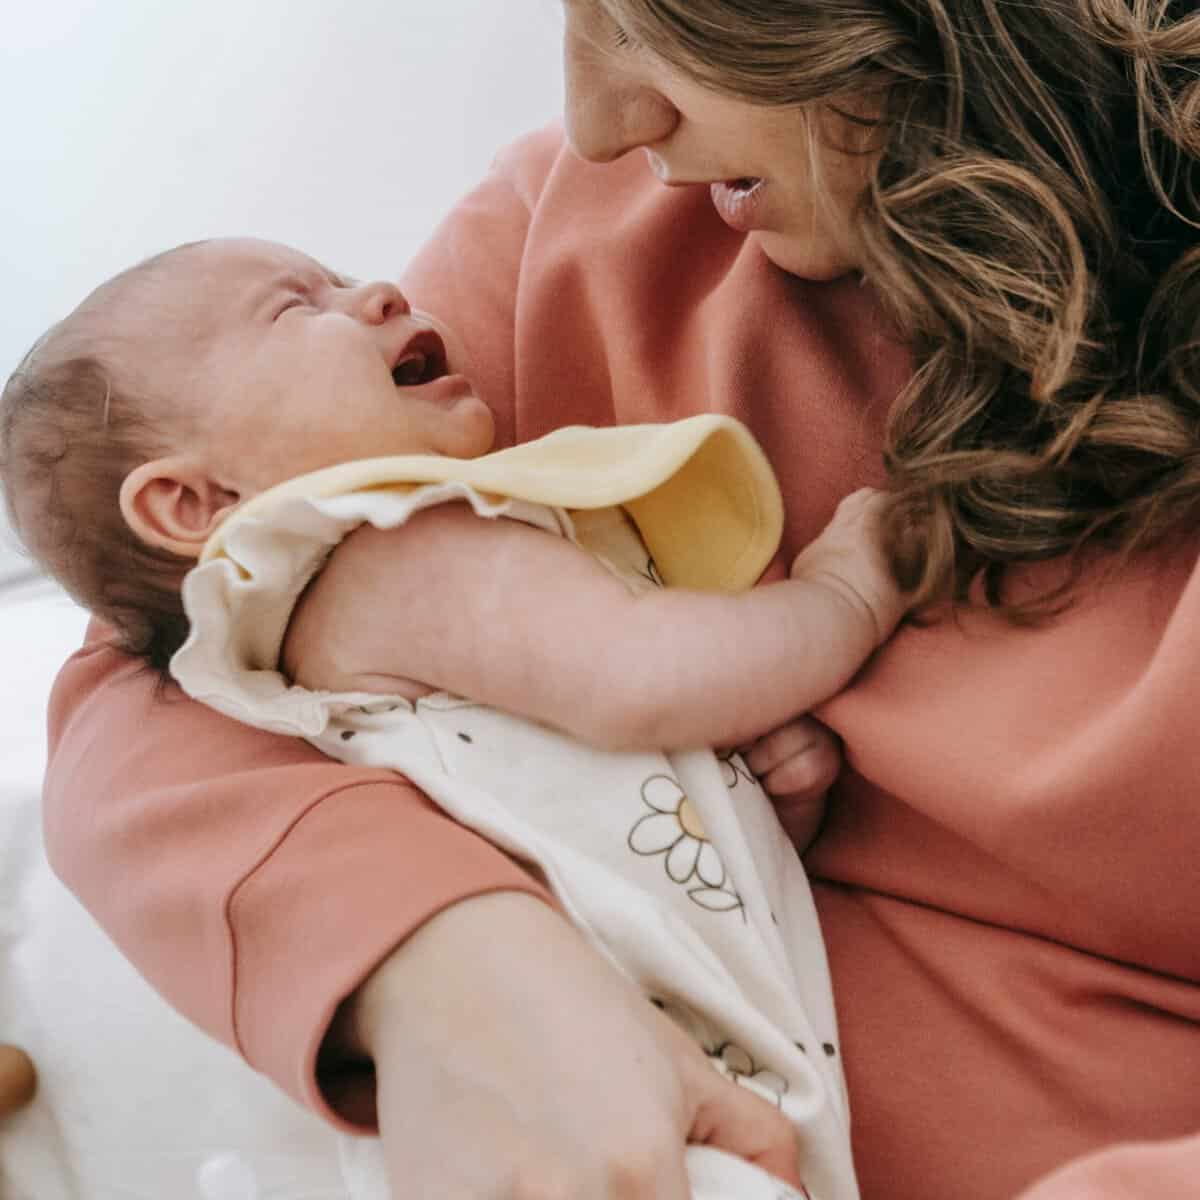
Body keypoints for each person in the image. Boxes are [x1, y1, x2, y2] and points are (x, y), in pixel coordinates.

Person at [26, 1, 1200, 1198]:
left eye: (652, 16)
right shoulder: (578, 241)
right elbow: (144, 668)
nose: (598, 121)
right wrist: (447, 959)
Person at [1, 233, 912, 1196]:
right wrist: (846, 598)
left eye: (343, 273)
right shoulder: (389, 552)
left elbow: (615, 818)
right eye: (294, 308)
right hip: (612, 1104)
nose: (381, 291)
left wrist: (759, 801)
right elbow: (643, 677)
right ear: (193, 501)